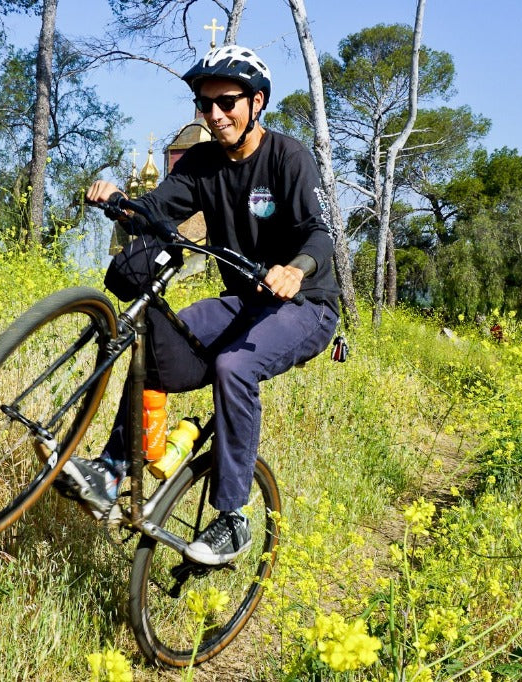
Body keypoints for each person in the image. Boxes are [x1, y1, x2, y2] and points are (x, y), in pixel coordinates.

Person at [65, 44, 340, 566]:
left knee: (234, 365)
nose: (215, 115)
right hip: (243, 300)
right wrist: (116, 200)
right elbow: (154, 207)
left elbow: (318, 235)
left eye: (228, 102)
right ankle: (111, 469)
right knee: (156, 339)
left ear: (257, 102)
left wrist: (293, 269)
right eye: (205, 104)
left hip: (305, 304)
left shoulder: (287, 157)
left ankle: (232, 518)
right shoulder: (201, 162)